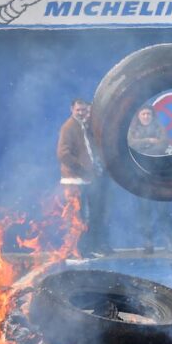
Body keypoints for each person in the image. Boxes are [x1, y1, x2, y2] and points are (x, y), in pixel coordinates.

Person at [57, 98, 107, 258]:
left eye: (84, 110)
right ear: (72, 109)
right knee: (76, 218)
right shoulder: (68, 127)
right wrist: (81, 169)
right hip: (74, 180)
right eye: (78, 110)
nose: (81, 112)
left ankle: (85, 249)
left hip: (86, 179)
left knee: (86, 216)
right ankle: (75, 251)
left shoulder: (83, 126)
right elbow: (63, 154)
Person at [127, 105, 172, 254]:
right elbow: (131, 144)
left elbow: (164, 143)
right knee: (144, 212)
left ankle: (168, 242)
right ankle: (148, 243)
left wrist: (145, 149)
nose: (146, 116)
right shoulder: (133, 130)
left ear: (152, 116)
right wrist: (149, 140)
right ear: (139, 116)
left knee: (163, 211)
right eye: (143, 114)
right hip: (141, 179)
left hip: (158, 177)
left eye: (149, 114)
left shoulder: (160, 128)